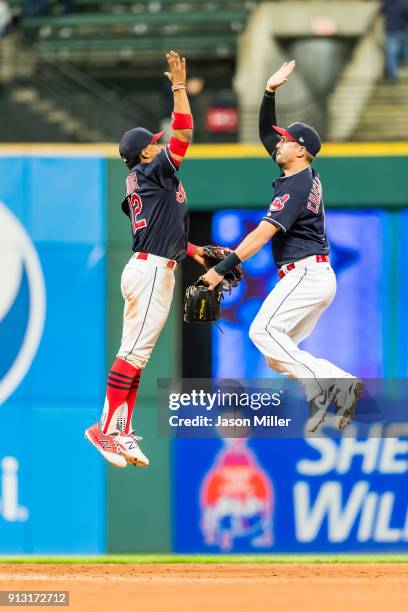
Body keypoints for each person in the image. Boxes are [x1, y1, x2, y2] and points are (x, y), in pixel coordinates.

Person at [201, 61, 363, 432]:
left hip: (306, 274)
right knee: (278, 356)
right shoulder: (299, 171)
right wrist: (269, 92)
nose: (279, 143)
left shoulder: (296, 185)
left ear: (301, 150)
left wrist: (220, 270)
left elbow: (261, 235)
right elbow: (265, 134)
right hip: (313, 275)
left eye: (286, 140)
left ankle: (333, 387)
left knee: (262, 333)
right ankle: (334, 386)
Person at [85, 51, 203, 468]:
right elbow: (185, 131)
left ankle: (121, 430)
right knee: (132, 354)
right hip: (151, 270)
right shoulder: (155, 172)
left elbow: (162, 231)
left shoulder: (144, 179)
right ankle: (104, 427)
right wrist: (178, 87)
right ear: (146, 153)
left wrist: (195, 251)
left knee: (137, 355)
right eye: (154, 143)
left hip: (153, 265)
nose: (160, 143)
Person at [381, 0, 408, 81]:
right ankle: (394, 73)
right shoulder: (404, 3)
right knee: (395, 52)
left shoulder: (386, 3)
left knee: (392, 53)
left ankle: (393, 75)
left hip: (391, 30)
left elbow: (381, 11)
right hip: (400, 30)